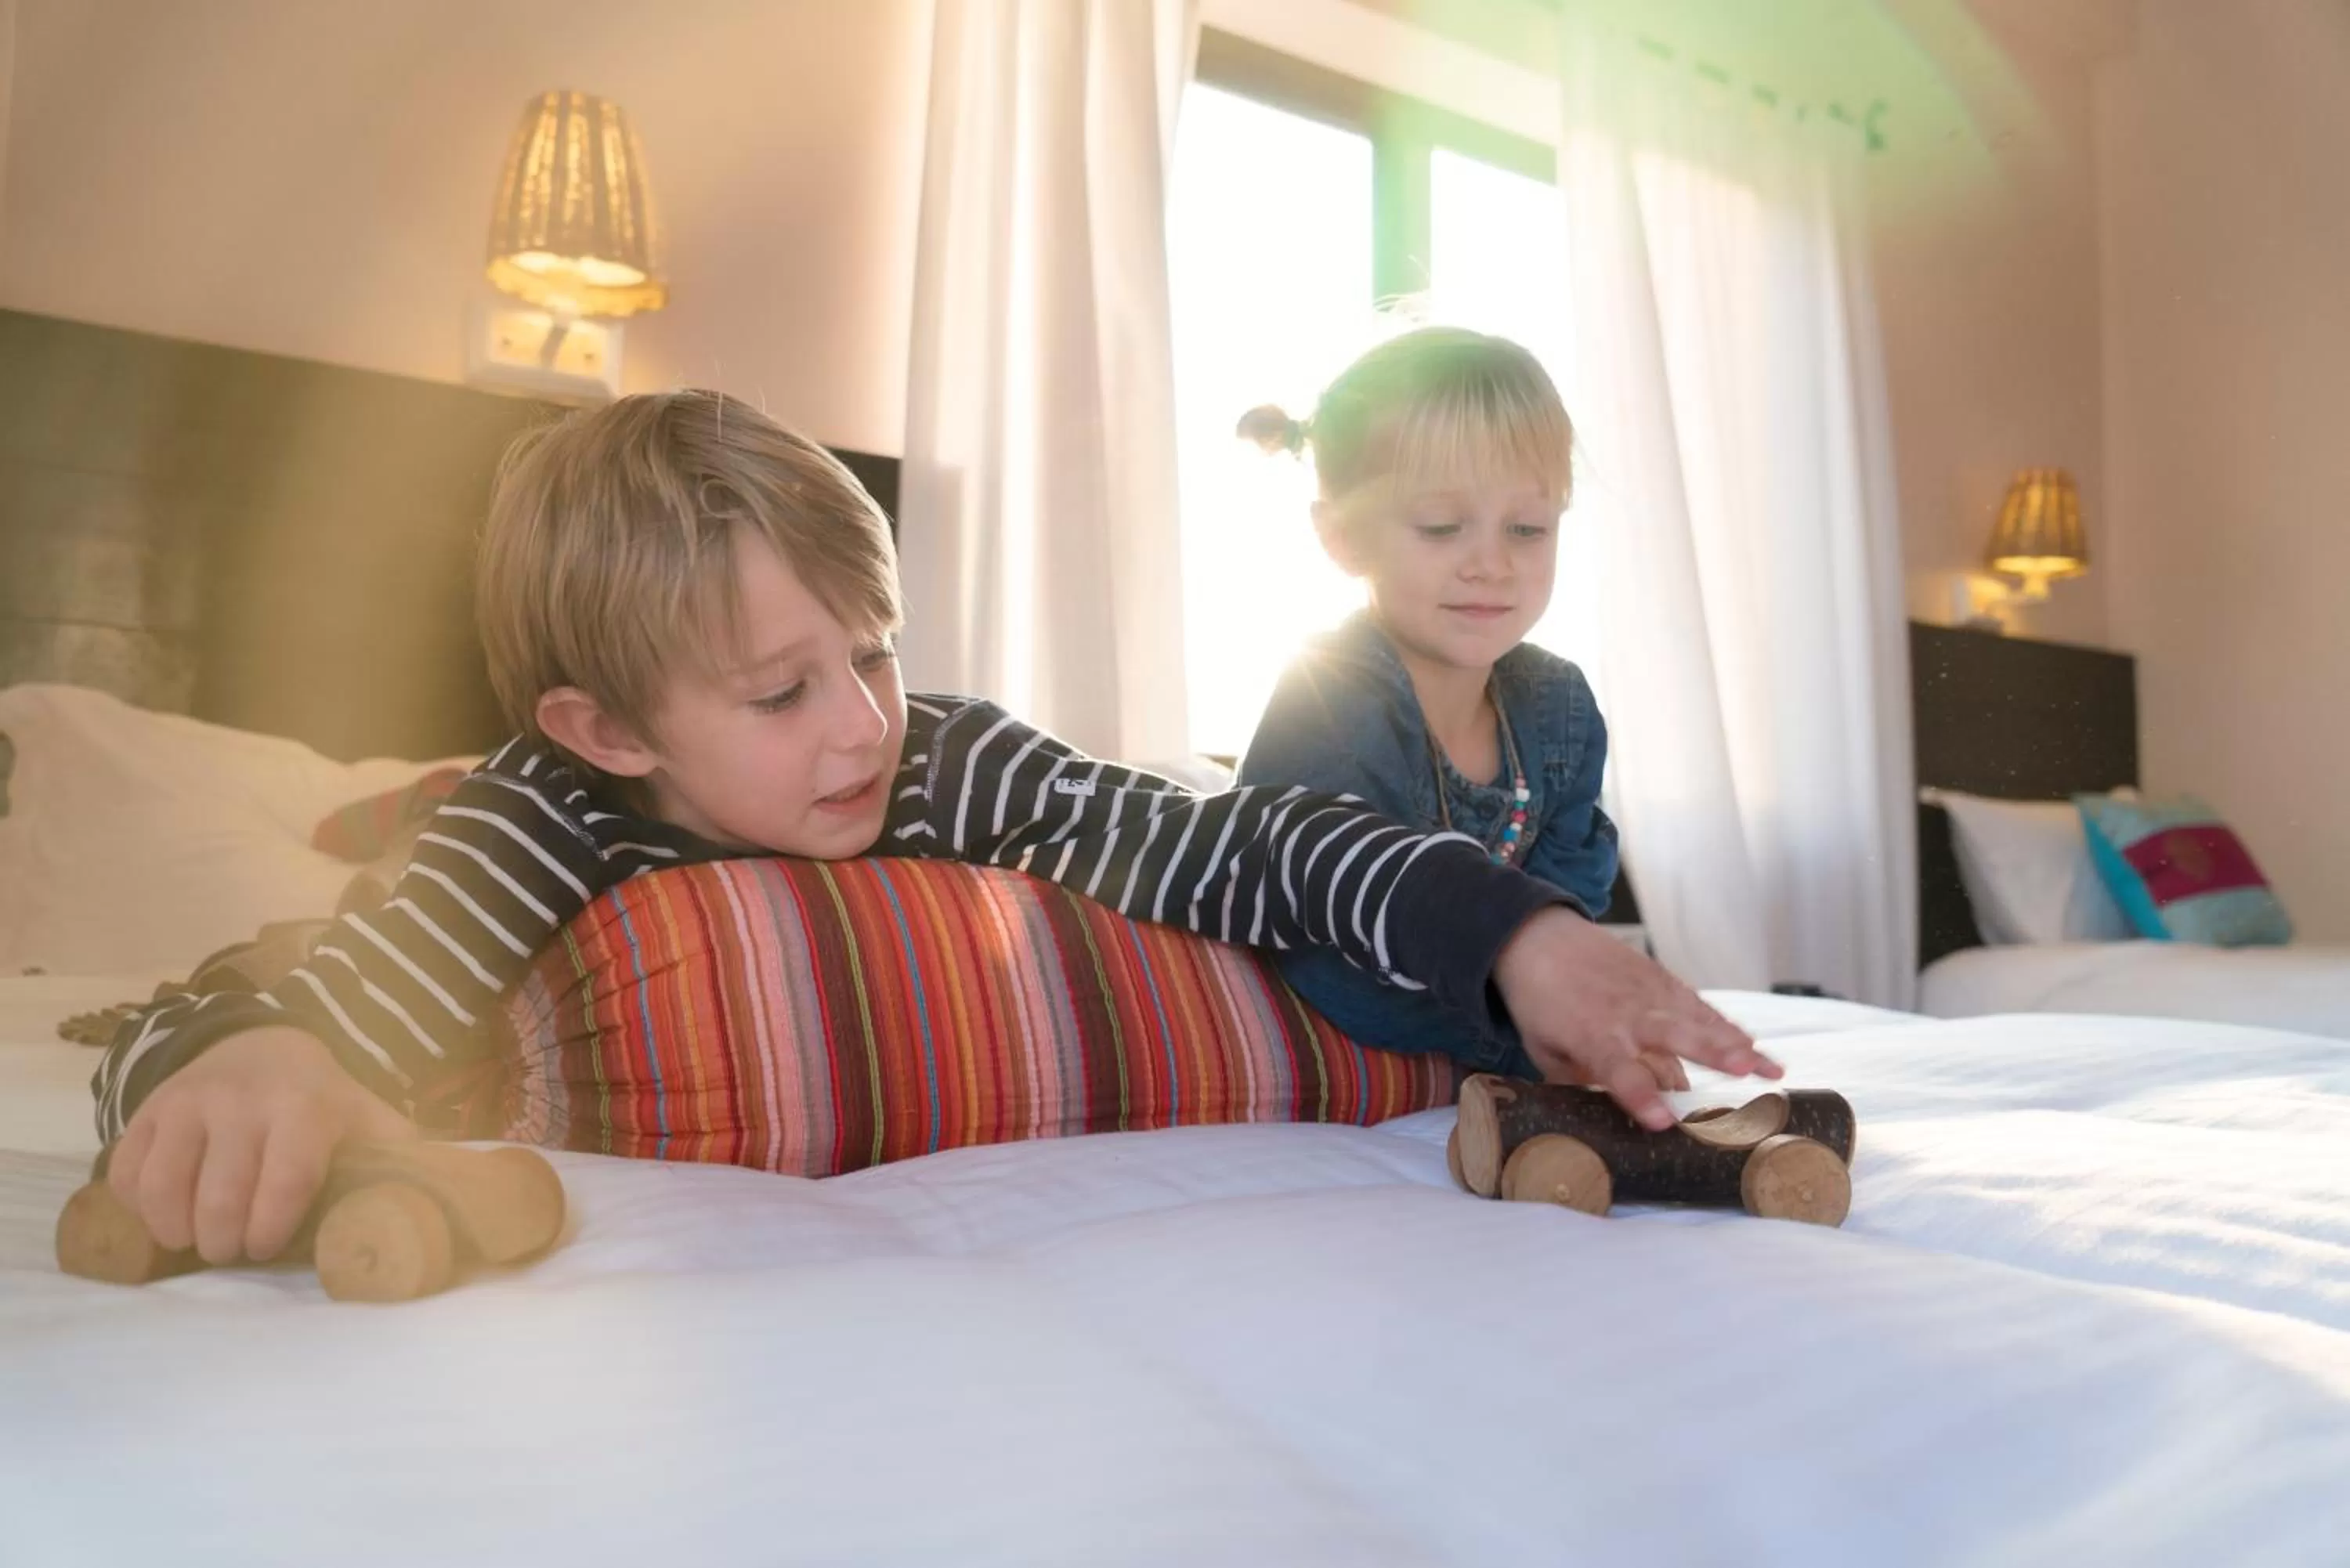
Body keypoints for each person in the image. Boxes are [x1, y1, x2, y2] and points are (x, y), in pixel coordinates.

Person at [95, 388, 1773, 1267]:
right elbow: (346, 993)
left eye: (876, 651)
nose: (861, 722)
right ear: (609, 730)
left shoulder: (943, 762)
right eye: (779, 691)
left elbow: (1238, 843)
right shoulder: (541, 818)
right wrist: (230, 1063)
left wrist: (1520, 929)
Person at [1237, 327, 1638, 1081]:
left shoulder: (1560, 708)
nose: (1491, 564)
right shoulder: (1331, 697)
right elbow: (1337, 973)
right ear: (1343, 538)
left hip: (1484, 1036)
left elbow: (1568, 909)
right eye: (1442, 527)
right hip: (1339, 1052)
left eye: (1528, 528)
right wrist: (1525, 1041)